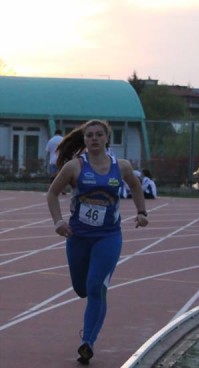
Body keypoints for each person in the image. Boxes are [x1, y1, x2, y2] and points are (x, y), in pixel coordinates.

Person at [46, 120, 149, 365]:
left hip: (108, 237)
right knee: (81, 289)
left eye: (98, 135)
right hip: (78, 237)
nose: (93, 138)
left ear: (106, 139)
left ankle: (87, 342)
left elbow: (135, 185)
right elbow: (51, 193)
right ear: (85, 140)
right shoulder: (74, 167)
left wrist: (142, 212)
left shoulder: (121, 166)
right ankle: (88, 333)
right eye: (89, 135)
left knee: (96, 287)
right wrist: (58, 222)